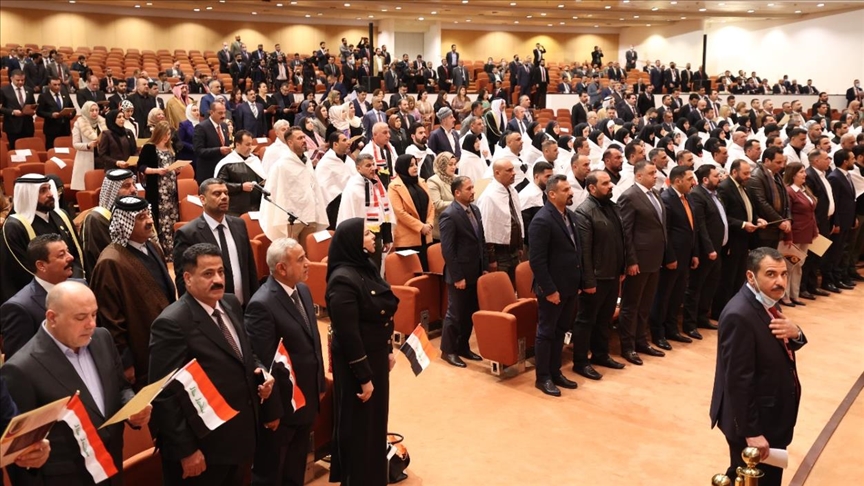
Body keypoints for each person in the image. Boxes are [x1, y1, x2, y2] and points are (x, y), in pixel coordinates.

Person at [149, 243, 276, 486]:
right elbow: (163, 394)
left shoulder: (230, 303)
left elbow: (245, 352)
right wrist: (186, 450)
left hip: (238, 436)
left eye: (220, 272)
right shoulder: (172, 323)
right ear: (188, 278)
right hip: (204, 449)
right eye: (208, 274)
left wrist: (261, 370)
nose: (217, 280)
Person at [1, 281, 151, 486]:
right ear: (52, 318)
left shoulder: (102, 338)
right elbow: (21, 452)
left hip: (113, 463)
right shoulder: (21, 369)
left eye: (94, 314)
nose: (91, 324)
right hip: (68, 477)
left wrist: (133, 408)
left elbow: (121, 387)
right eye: (81, 317)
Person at [710, 247, 807, 486]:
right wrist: (751, 432)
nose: (780, 281)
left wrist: (797, 333)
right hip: (755, 423)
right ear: (751, 276)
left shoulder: (768, 302)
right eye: (771, 274)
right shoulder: (739, 315)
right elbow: (738, 380)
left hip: (770, 416)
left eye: (784, 274)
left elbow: (780, 342)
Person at [245, 238, 326, 486]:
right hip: (282, 411)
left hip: (305, 399)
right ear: (281, 268)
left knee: (295, 470)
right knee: (271, 474)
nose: (308, 263)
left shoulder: (303, 290)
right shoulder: (261, 305)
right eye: (300, 259)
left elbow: (313, 343)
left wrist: (319, 384)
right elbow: (264, 365)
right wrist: (271, 412)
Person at [325, 218, 399, 486]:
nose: (373, 237)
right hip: (357, 365)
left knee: (375, 424)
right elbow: (348, 335)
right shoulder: (342, 281)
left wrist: (388, 349)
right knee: (359, 428)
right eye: (367, 234)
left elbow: (381, 315)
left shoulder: (366, 266)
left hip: (376, 356)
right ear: (353, 242)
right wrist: (364, 377)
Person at [90, 196, 175, 386]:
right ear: (124, 223)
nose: (149, 221)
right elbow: (111, 318)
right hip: (140, 348)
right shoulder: (110, 262)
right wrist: (125, 361)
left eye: (148, 215)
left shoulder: (152, 246)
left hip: (165, 339)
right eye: (141, 218)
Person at [529, 174, 582, 397]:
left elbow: (576, 251)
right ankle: (543, 377)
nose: (571, 192)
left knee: (561, 330)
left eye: (570, 188)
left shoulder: (570, 215)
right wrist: (550, 290)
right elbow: (537, 261)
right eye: (565, 190)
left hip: (569, 286)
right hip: (552, 289)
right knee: (546, 332)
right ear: (552, 194)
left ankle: (555, 371)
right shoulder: (542, 220)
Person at [174, 178, 259, 305]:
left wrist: (255, 302)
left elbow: (249, 267)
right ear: (203, 199)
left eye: (226, 193)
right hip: (210, 309)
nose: (224, 197)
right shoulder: (188, 233)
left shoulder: (239, 224)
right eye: (217, 194)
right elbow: (183, 279)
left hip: (244, 306)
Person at [0, 175, 84, 302]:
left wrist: (76, 280)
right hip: (39, 297)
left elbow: (76, 254)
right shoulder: (14, 226)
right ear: (28, 195)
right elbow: (22, 270)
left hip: (73, 287)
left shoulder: (62, 215)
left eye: (49, 188)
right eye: (43, 190)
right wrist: (60, 286)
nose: (50, 194)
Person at [617, 161, 667, 365]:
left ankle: (641, 341)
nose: (655, 176)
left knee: (645, 304)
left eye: (655, 172)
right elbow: (626, 232)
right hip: (638, 260)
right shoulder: (629, 196)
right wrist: (631, 260)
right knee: (631, 305)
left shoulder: (654, 194)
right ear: (638, 176)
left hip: (654, 259)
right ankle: (627, 347)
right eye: (651, 173)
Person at [0, 234, 79, 359]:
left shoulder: (81, 287)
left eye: (68, 251)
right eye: (61, 255)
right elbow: (18, 362)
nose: (70, 257)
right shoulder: (19, 307)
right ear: (41, 265)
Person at [438, 176, 487, 367]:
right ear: (457, 193)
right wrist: (458, 276)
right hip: (459, 274)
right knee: (455, 314)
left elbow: (480, 241)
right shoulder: (449, 215)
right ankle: (448, 350)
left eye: (473, 187)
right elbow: (448, 250)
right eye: (469, 189)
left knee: (470, 311)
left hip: (475, 271)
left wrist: (484, 267)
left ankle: (462, 346)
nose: (473, 191)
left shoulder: (475, 209)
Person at [649, 166, 699, 350]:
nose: (693, 182)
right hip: (672, 257)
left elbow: (692, 228)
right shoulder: (666, 199)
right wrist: (669, 257)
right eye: (690, 179)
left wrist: (694, 253)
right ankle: (658, 333)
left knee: (677, 295)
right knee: (663, 296)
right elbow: (666, 232)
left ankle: (672, 329)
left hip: (686, 256)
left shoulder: (688, 197)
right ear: (678, 181)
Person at [260, 127, 328, 250]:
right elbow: (275, 191)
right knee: (292, 253)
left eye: (304, 137)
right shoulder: (281, 165)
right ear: (290, 142)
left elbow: (313, 186)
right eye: (299, 138)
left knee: (308, 251)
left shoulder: (307, 161)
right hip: (292, 217)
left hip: (310, 214)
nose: (304, 140)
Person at [681, 165, 728, 337]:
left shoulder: (716, 194)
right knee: (696, 287)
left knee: (710, 286)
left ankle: (702, 317)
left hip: (718, 248)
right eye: (716, 176)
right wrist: (709, 249)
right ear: (705, 179)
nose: (719, 178)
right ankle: (689, 323)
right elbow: (701, 226)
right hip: (705, 251)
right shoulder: (697, 195)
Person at [80, 169, 137, 277]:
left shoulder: (139, 215)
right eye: (126, 186)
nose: (133, 190)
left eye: (133, 184)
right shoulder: (97, 219)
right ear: (112, 192)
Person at [477, 158, 525, 283]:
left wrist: (520, 244)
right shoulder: (489, 196)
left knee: (515, 287)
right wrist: (491, 259)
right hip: (500, 254)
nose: (514, 173)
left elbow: (517, 218)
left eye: (513, 169)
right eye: (509, 170)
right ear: (497, 173)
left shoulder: (512, 190)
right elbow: (487, 230)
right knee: (501, 288)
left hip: (514, 251)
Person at [138, 120, 181, 259]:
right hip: (157, 189)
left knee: (172, 218)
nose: (167, 137)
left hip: (171, 189)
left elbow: (173, 164)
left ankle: (173, 250)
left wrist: (177, 169)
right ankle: (162, 251)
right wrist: (157, 171)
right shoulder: (149, 147)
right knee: (160, 220)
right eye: (165, 134)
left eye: (169, 134)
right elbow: (141, 167)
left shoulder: (171, 147)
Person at [388, 154, 435, 270]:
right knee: (413, 272)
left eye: (416, 164)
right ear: (402, 167)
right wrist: (420, 227)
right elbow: (400, 212)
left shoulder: (422, 182)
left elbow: (431, 206)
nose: (415, 167)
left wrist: (429, 224)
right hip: (407, 238)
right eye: (411, 165)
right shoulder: (394, 186)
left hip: (426, 235)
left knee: (427, 271)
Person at [782, 162, 819, 307]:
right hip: (795, 233)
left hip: (806, 232)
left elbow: (811, 212)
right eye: (801, 172)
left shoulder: (804, 190)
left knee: (799, 265)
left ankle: (795, 294)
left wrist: (815, 229)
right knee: (789, 266)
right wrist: (788, 236)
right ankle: (785, 296)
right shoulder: (789, 191)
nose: (805, 174)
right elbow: (787, 215)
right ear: (793, 175)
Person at [214, 129, 266, 216]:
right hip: (235, 210)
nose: (250, 147)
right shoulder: (227, 163)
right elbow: (219, 185)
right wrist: (241, 187)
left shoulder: (255, 160)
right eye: (247, 144)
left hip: (257, 207)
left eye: (251, 144)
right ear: (237, 145)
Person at [316, 132, 358, 230]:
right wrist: (342, 195)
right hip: (334, 205)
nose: (349, 142)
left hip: (351, 200)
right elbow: (323, 186)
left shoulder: (349, 160)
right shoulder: (325, 163)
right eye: (344, 140)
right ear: (335, 144)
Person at [194, 100, 233, 185]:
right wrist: (219, 150)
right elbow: (198, 150)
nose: (223, 116)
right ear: (211, 112)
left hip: (222, 171)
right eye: (220, 113)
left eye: (224, 112)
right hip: (208, 171)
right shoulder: (201, 127)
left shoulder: (224, 126)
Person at [0, 69, 37, 150]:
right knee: (15, 150)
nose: (20, 82)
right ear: (11, 78)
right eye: (18, 80)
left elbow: (32, 104)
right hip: (12, 126)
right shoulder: (4, 91)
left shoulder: (29, 90)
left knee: (28, 150)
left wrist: (32, 111)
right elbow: (0, 108)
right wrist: (12, 112)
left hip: (28, 126)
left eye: (22, 80)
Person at [426, 152, 457, 241]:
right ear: (442, 165)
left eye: (455, 164)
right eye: (450, 164)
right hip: (441, 227)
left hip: (457, 225)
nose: (453, 167)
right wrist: (458, 203)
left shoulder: (457, 178)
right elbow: (437, 205)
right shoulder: (433, 181)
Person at [36, 77, 74, 149]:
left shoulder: (65, 94)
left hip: (65, 128)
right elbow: (39, 112)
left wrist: (70, 114)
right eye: (55, 85)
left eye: (59, 84)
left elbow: (72, 108)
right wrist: (51, 115)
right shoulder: (43, 96)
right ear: (49, 85)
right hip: (51, 129)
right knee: (52, 149)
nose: (57, 87)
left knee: (65, 150)